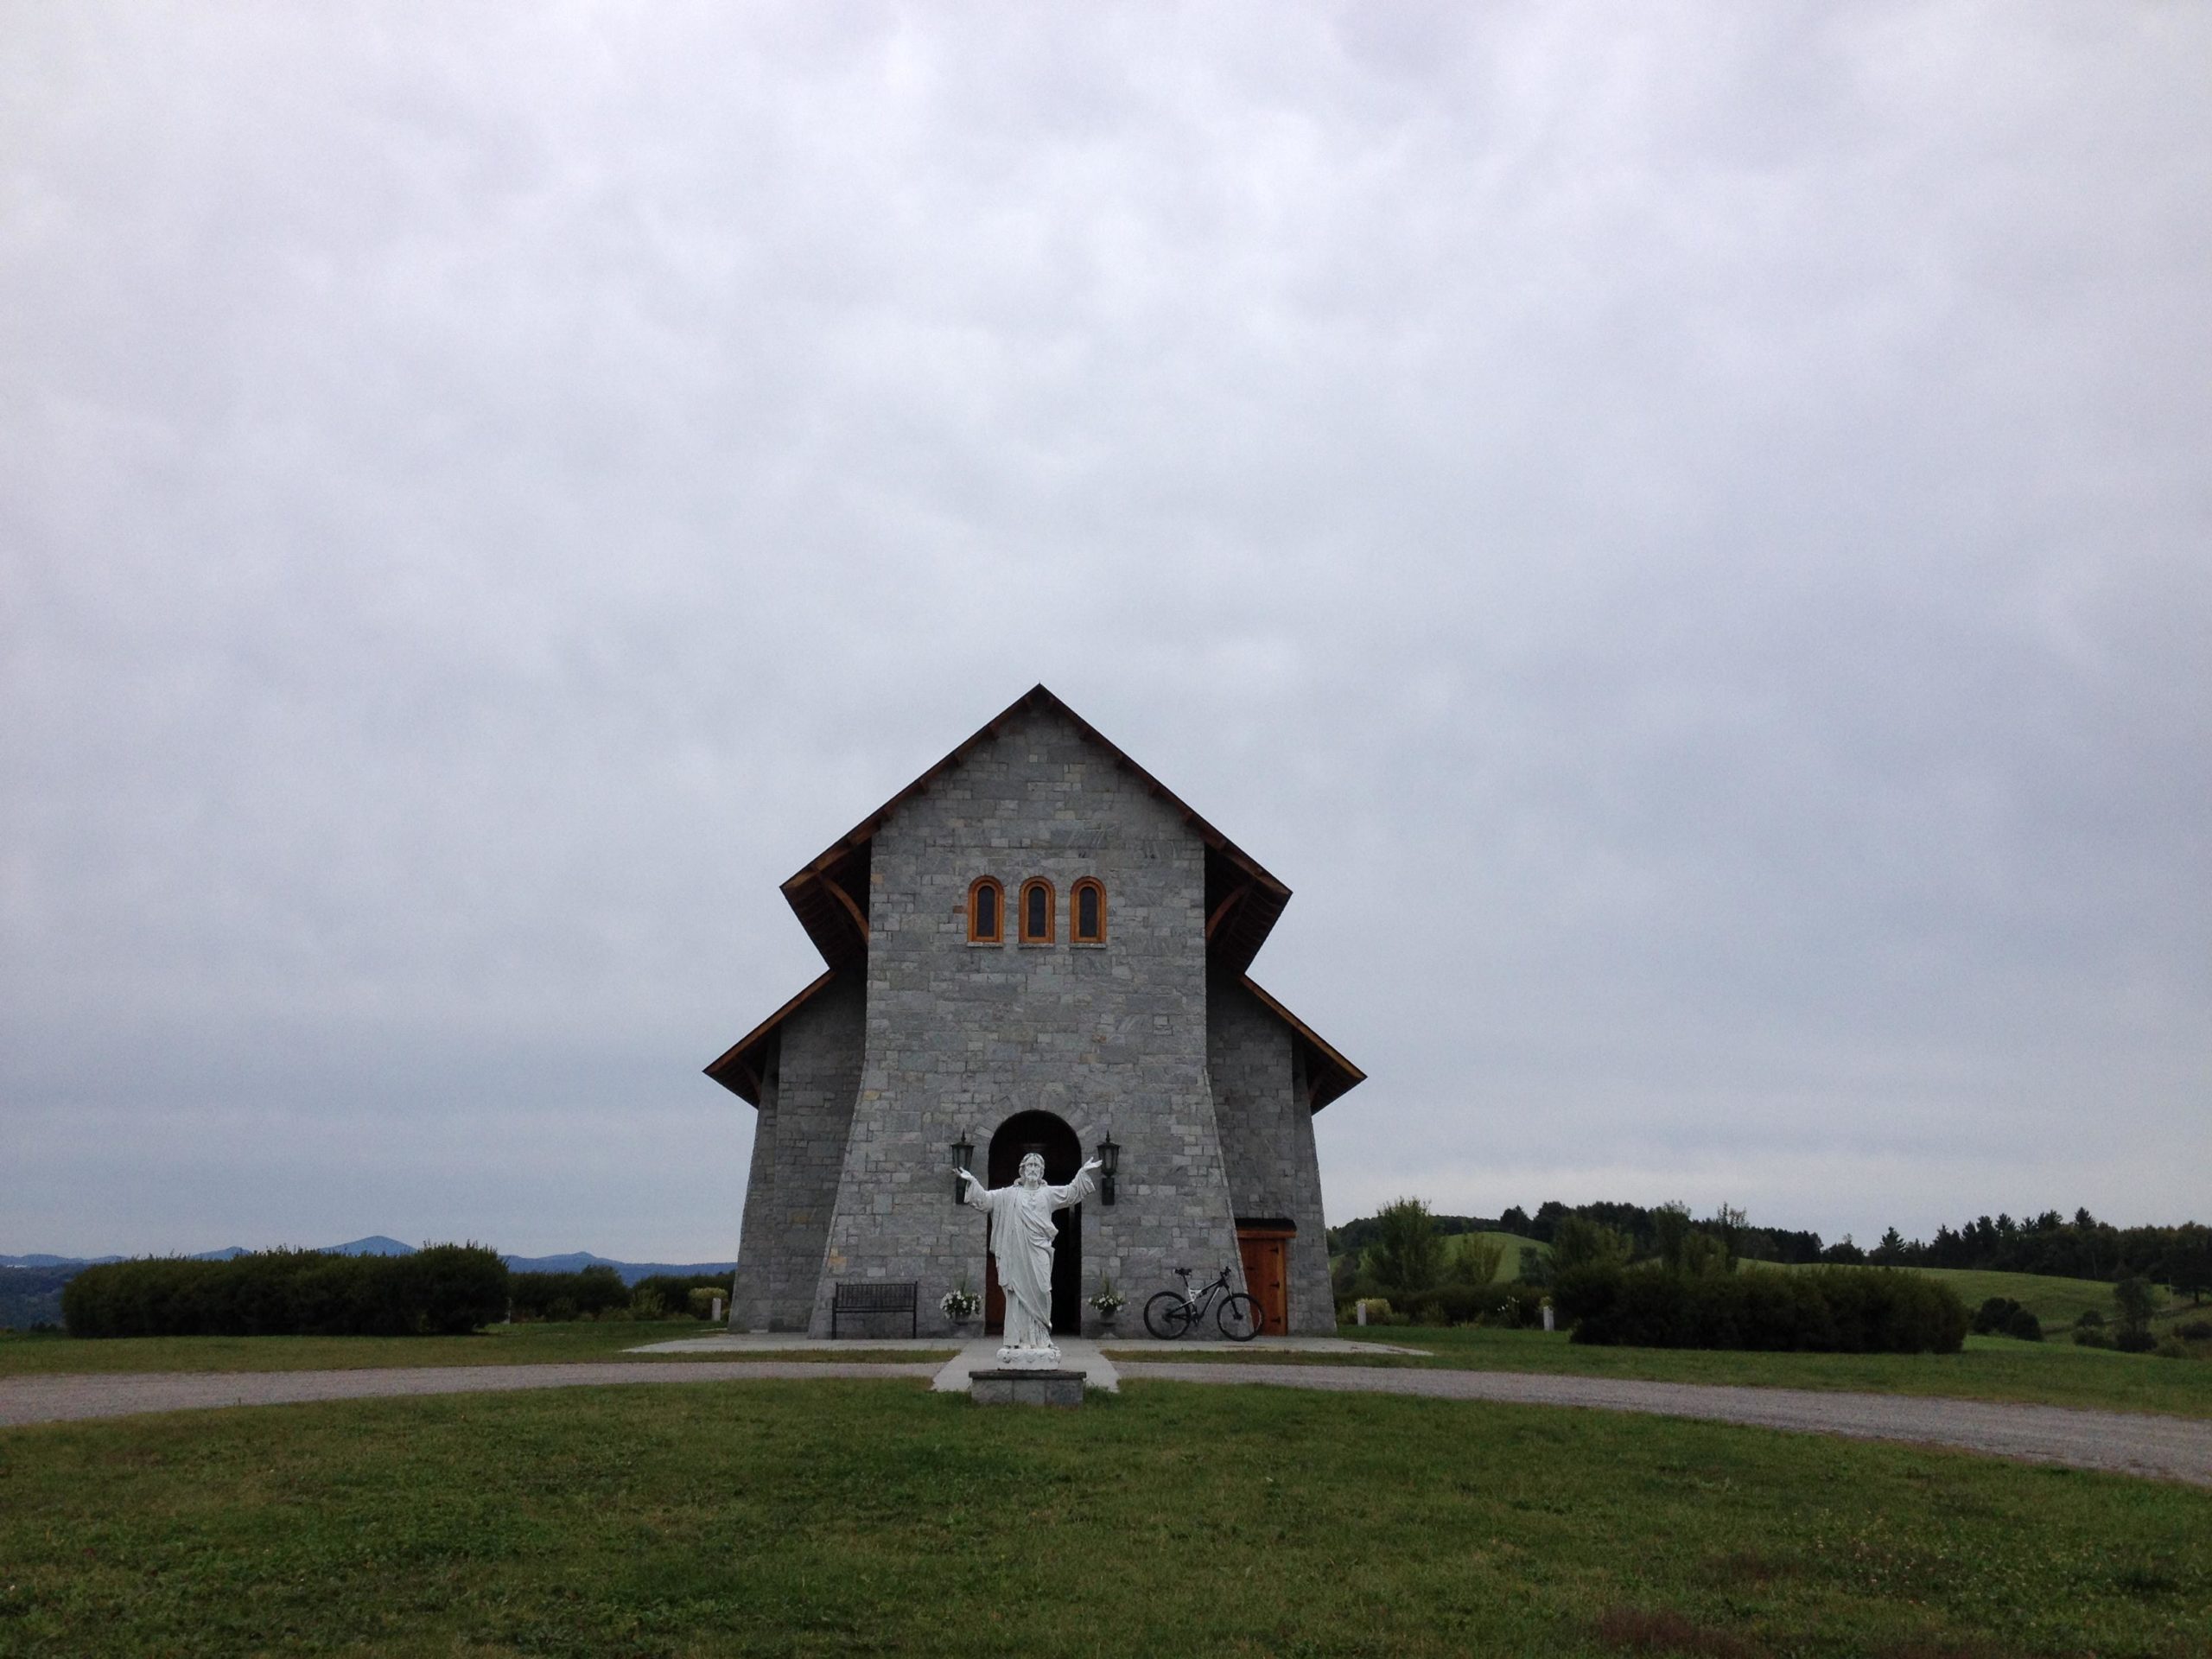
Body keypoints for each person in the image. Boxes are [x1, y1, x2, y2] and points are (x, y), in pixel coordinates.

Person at [956, 1150, 1100, 1355]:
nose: (1033, 1169)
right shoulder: (1009, 1194)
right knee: (1017, 1295)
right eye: (1029, 1166)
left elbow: (1070, 1193)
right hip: (1016, 1253)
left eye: (1037, 1166)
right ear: (1022, 1170)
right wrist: (972, 1182)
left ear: (1042, 1171)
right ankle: (1020, 1338)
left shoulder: (1048, 1193)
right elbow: (987, 1200)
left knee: (1042, 1289)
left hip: (1039, 1251)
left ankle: (1041, 1337)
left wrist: (1083, 1173)